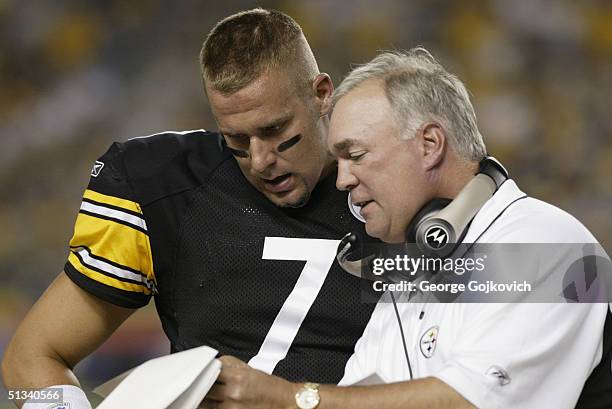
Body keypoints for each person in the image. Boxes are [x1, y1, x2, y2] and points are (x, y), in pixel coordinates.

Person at [1, 8, 378, 408]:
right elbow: (28, 358)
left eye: (274, 130)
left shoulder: (400, 187)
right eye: (236, 138)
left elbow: (450, 385)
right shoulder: (166, 186)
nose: (261, 159)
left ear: (321, 94)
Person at [202, 48, 612, 409]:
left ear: (430, 144)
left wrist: (290, 399)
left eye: (356, 155)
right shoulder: (410, 273)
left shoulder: (549, 244)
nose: (342, 180)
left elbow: (473, 402)